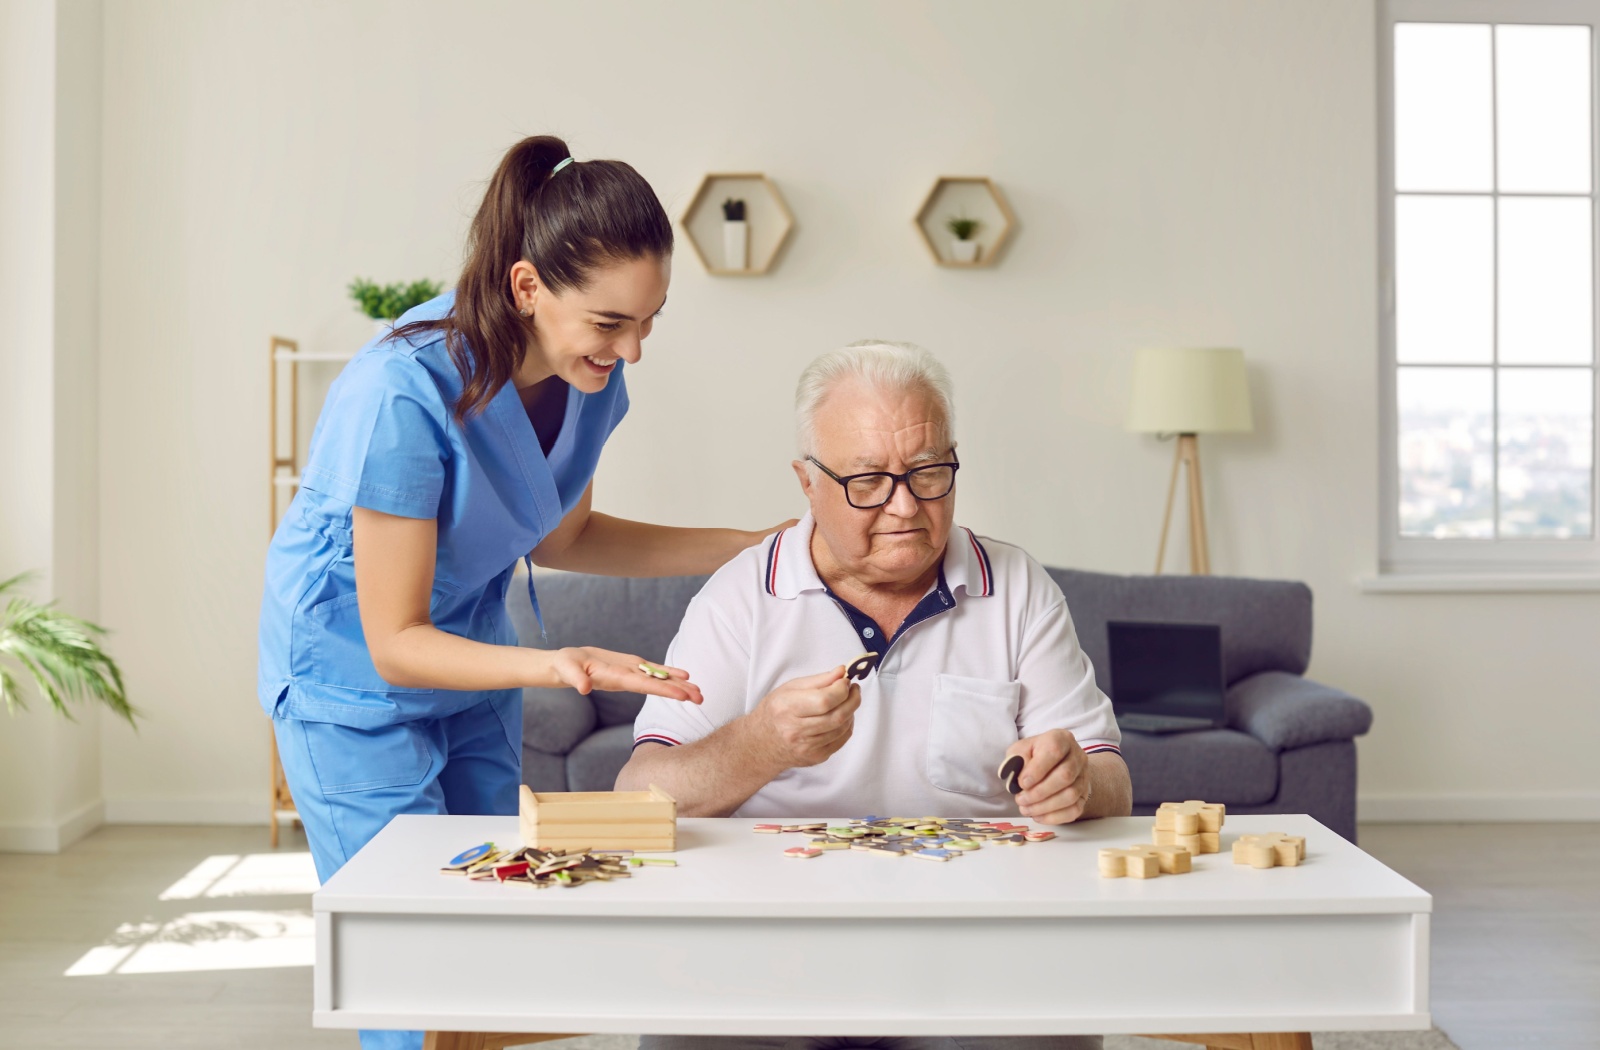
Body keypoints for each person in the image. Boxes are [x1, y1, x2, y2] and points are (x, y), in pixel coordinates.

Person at [257, 135, 787, 1050]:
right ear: (528, 287)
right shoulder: (400, 392)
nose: (633, 350)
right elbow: (393, 638)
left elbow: (565, 533)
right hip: (349, 675)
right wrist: (559, 660)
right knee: (408, 954)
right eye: (611, 323)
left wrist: (747, 548)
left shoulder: (591, 383)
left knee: (495, 922)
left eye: (650, 321)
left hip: (469, 650)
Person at [619, 341, 1129, 1050]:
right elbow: (638, 795)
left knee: (1051, 1030)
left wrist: (1075, 780)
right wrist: (761, 744)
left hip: (975, 938)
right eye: (867, 481)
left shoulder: (1016, 586)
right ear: (806, 482)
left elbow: (1112, 782)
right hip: (772, 940)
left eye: (929, 473)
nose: (904, 507)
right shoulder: (738, 596)